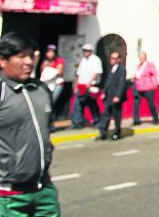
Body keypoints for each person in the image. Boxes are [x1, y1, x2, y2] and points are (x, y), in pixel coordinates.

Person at [0, 32, 61, 215]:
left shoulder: (41, 90)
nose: (28, 61)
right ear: (2, 61)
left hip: (44, 191)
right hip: (8, 195)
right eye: (21, 56)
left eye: (31, 55)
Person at [71, 43, 102, 129]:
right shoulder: (83, 60)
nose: (85, 52)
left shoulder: (96, 59)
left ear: (91, 51)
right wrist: (75, 86)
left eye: (87, 50)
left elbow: (96, 72)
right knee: (78, 103)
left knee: (92, 104)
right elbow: (78, 74)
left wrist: (89, 82)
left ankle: (97, 120)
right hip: (81, 86)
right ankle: (78, 122)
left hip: (90, 86)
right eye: (84, 50)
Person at [97, 51, 126, 140]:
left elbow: (122, 83)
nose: (111, 60)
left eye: (114, 58)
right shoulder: (112, 68)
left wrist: (118, 95)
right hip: (108, 96)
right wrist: (104, 92)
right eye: (111, 58)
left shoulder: (121, 69)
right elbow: (108, 82)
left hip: (115, 97)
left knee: (116, 115)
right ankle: (103, 133)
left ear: (119, 59)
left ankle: (117, 133)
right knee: (106, 114)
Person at [131, 51, 159, 125]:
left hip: (148, 88)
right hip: (138, 87)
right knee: (136, 104)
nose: (141, 59)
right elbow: (137, 75)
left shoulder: (150, 65)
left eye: (142, 57)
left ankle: (155, 118)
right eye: (140, 57)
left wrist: (154, 84)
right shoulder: (138, 66)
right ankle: (136, 120)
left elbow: (154, 75)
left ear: (145, 57)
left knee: (151, 104)